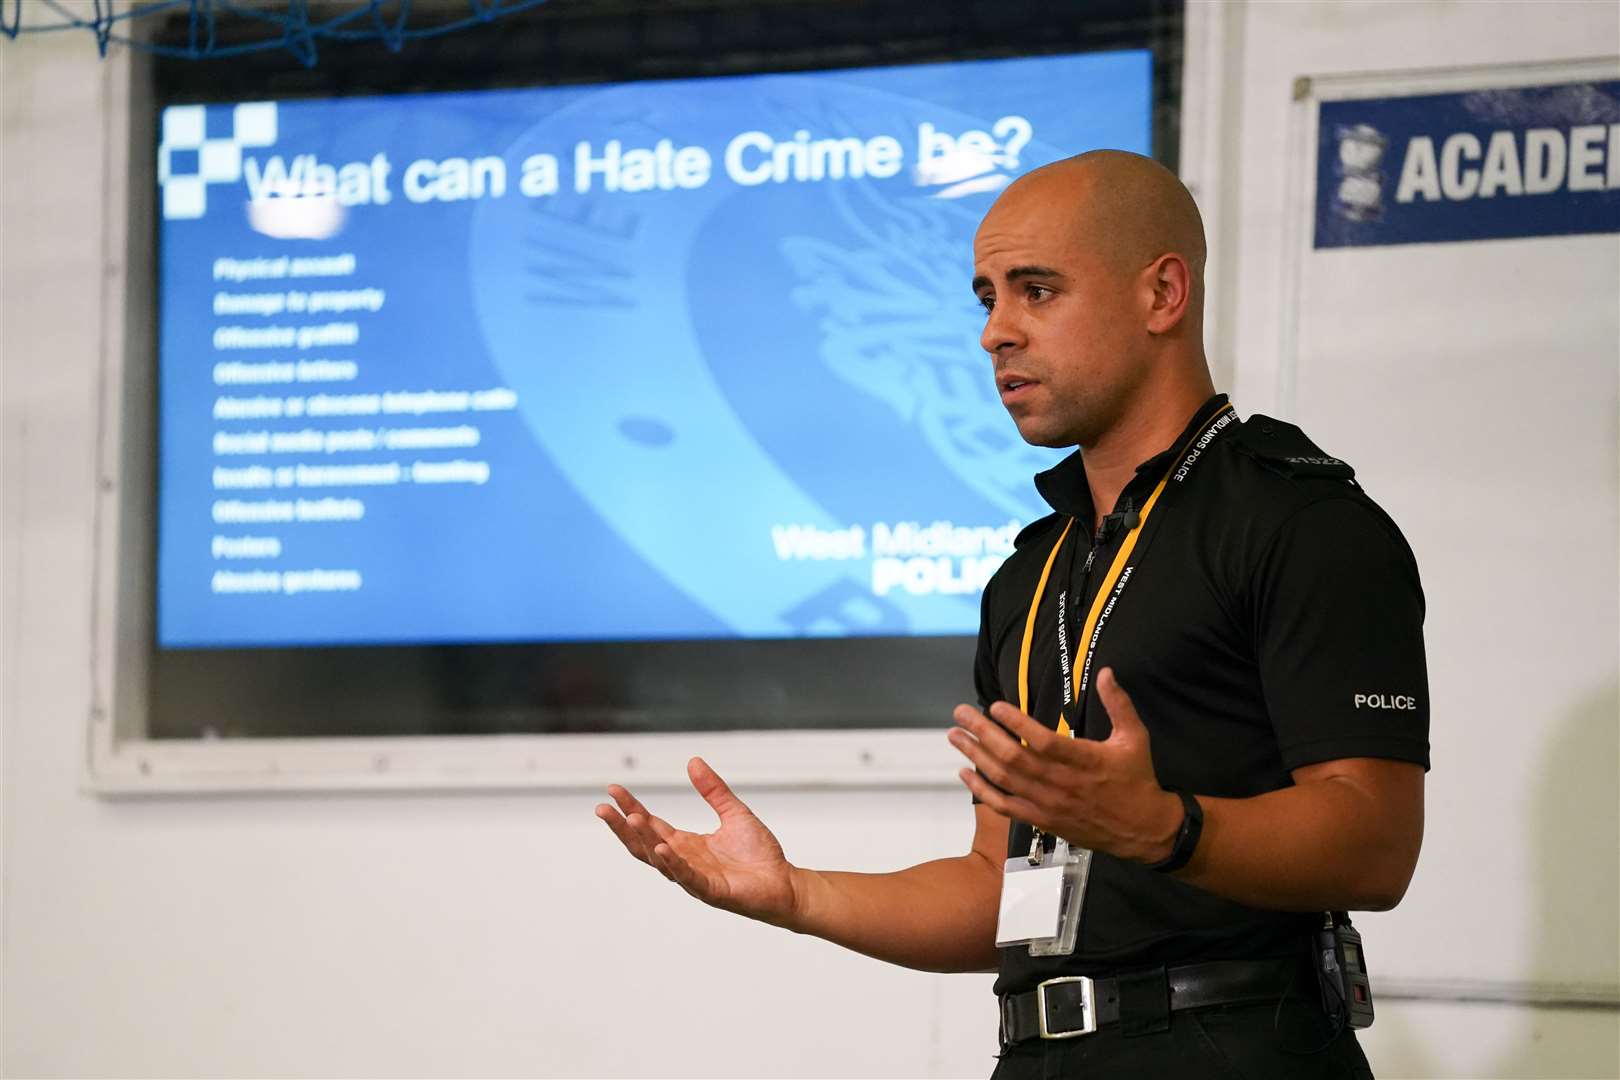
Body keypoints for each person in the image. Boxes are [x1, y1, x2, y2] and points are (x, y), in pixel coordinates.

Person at [596, 150, 1428, 1078]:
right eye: (986, 297)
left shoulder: (1301, 523)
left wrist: (1162, 825)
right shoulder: (1030, 578)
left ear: (1162, 295)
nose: (996, 332)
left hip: (1233, 1048)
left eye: (1036, 291)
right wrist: (793, 893)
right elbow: (1000, 888)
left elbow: (1376, 844)